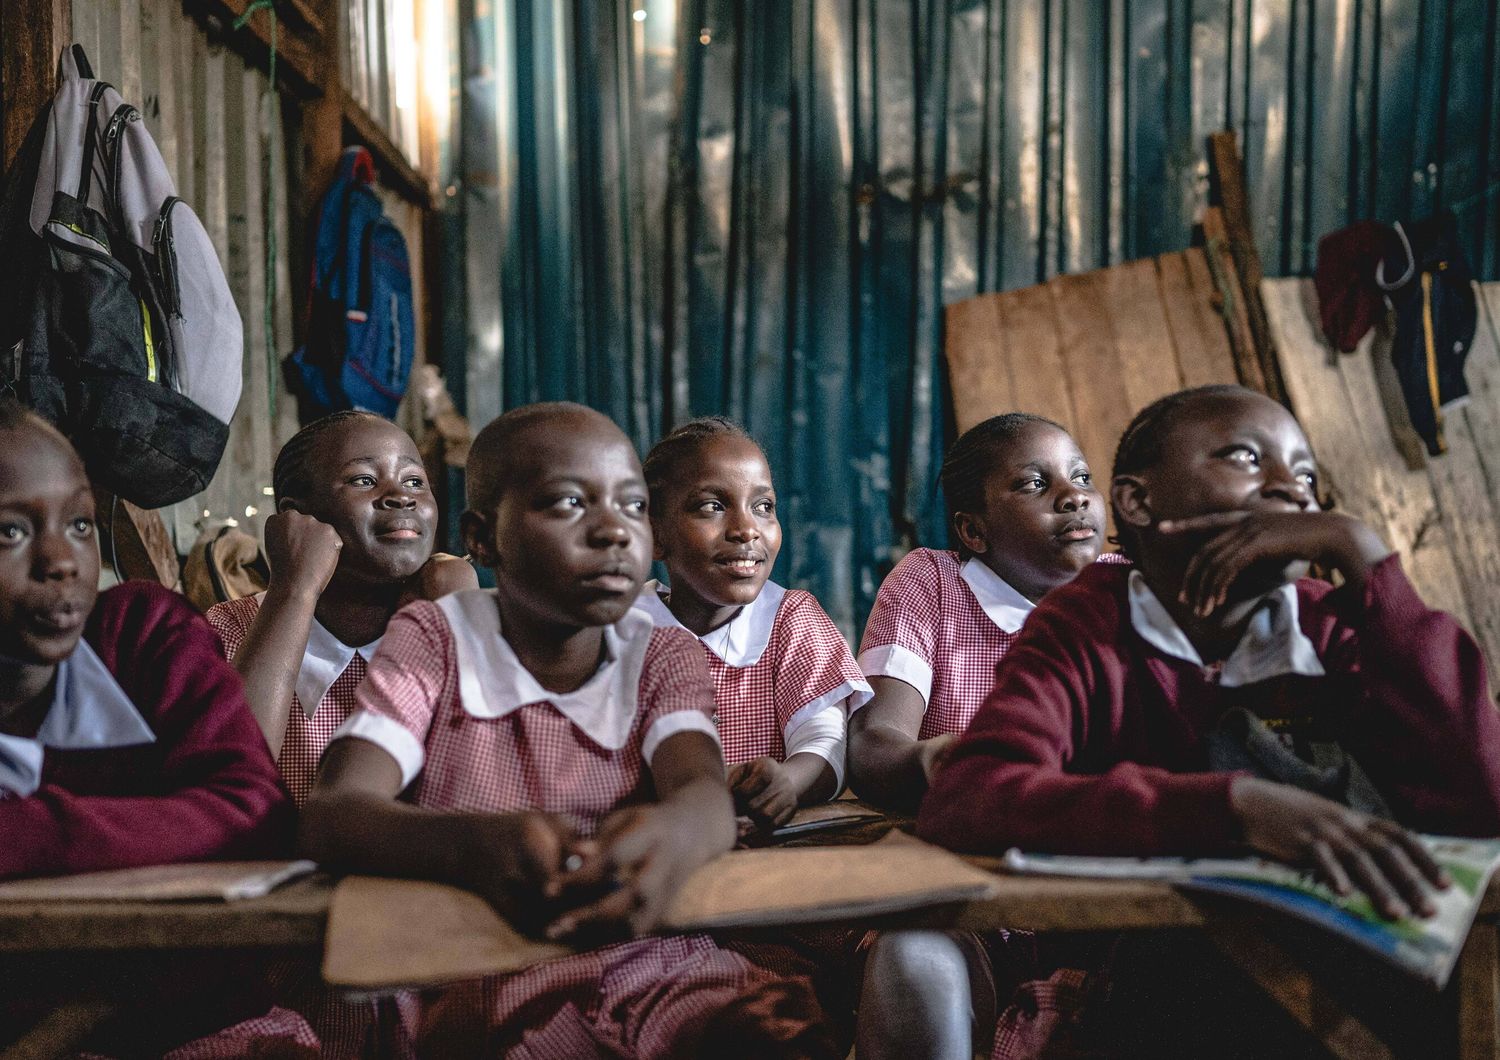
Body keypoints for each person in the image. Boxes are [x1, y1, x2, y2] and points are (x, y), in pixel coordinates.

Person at [918, 384, 1500, 1050]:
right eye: (1248, 459)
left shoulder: (1331, 625)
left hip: (1358, 988)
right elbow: (970, 796)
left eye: (1306, 476)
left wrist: (1362, 556)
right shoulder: (1089, 625)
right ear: (1138, 501)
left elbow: (1483, 798)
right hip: (1156, 999)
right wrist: (1238, 810)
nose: (1291, 492)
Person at [301, 402, 834, 1058]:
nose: (612, 530)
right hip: (475, 966)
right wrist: (473, 847)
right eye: (566, 503)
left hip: (643, 966)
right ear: (483, 538)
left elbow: (700, 793)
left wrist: (673, 835)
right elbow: (336, 812)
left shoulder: (659, 653)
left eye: (634, 507)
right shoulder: (438, 640)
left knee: (759, 1029)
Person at [0, 397, 313, 1055]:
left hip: (198, 1029)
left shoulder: (143, 636)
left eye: (80, 525)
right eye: (11, 532)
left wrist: (27, 833)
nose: (61, 560)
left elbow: (254, 813)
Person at [850, 412, 1112, 1058]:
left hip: (1112, 904)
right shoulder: (932, 586)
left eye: (1080, 477)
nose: (1072, 494)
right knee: (912, 959)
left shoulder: (1127, 587)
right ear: (973, 530)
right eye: (1033, 483)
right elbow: (874, 746)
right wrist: (933, 760)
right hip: (968, 903)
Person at [207, 410, 475, 807]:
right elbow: (225, 785)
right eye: (363, 480)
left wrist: (455, 613)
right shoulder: (227, 631)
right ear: (296, 517)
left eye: (415, 481)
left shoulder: (450, 619)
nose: (401, 496)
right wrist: (294, 589)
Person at [638, 417, 870, 831]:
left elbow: (826, 745)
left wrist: (787, 783)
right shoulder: (622, 631)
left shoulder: (792, 620)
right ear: (655, 536)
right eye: (712, 506)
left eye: (763, 507)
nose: (746, 529)